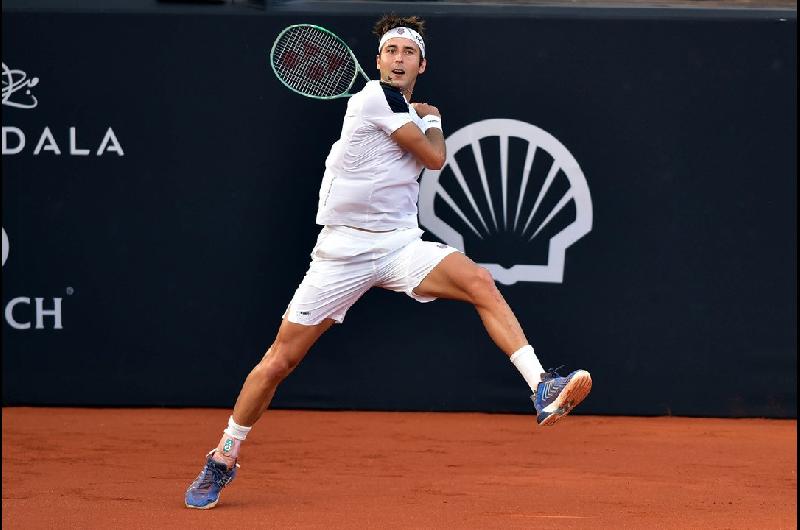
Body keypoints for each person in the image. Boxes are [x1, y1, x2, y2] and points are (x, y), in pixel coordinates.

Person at [185, 14, 592, 510]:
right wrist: (435, 119)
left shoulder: (406, 112)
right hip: (342, 251)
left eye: (408, 52)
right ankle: (222, 458)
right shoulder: (371, 99)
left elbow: (426, 153)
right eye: (390, 51)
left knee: (478, 280)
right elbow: (435, 158)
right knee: (279, 362)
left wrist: (426, 120)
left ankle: (540, 385)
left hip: (398, 245)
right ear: (377, 62)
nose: (398, 59)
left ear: (422, 63)